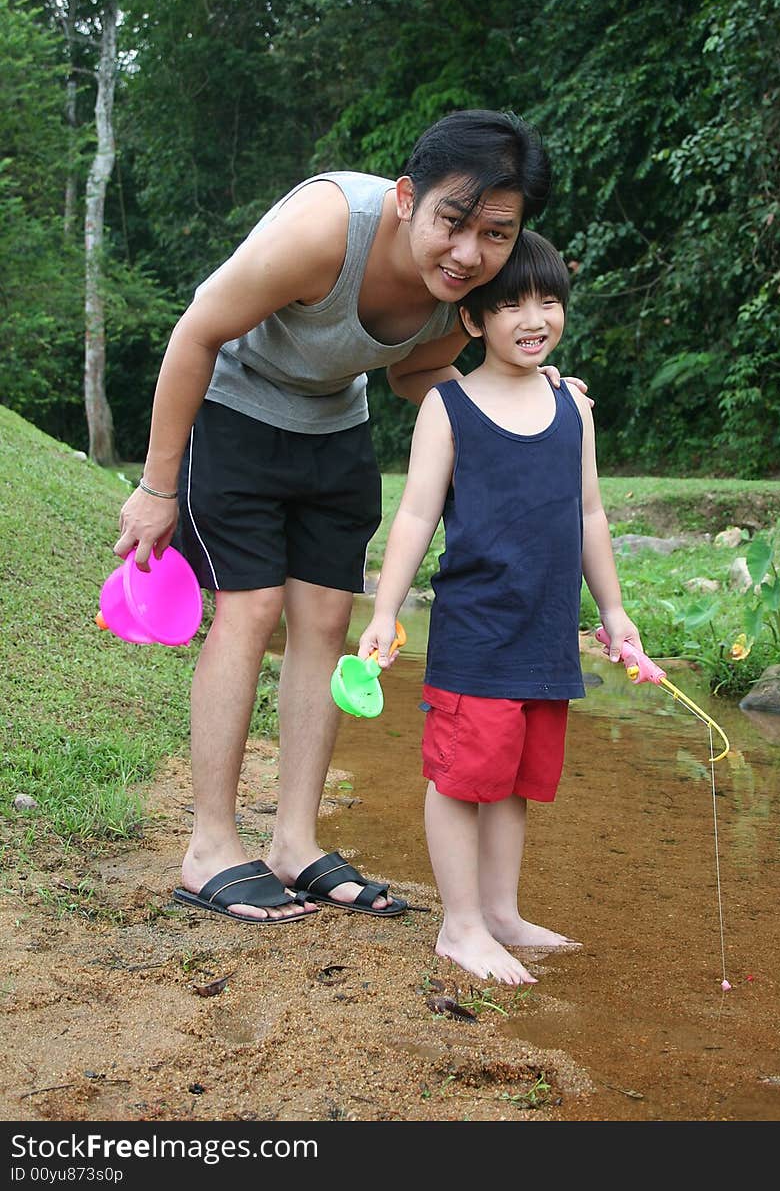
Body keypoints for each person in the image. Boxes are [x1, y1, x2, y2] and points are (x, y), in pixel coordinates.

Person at [115, 109, 569, 924]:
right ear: (406, 198)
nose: (469, 253)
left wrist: (531, 406)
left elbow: (419, 377)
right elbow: (197, 331)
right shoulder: (328, 227)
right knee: (250, 610)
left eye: (496, 234)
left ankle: (294, 840)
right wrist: (156, 488)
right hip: (235, 411)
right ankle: (211, 845)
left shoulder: (463, 294)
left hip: (332, 427)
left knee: (326, 619)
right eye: (453, 222)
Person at [358, 230, 642, 983]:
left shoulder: (571, 408)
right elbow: (416, 515)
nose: (534, 316)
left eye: (549, 300)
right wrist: (385, 612)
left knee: (514, 780)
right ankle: (459, 925)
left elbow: (589, 516)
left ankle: (501, 910)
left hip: (545, 634)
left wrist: (612, 613)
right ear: (475, 321)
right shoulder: (448, 408)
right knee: (461, 779)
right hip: (477, 634)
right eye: (511, 302)